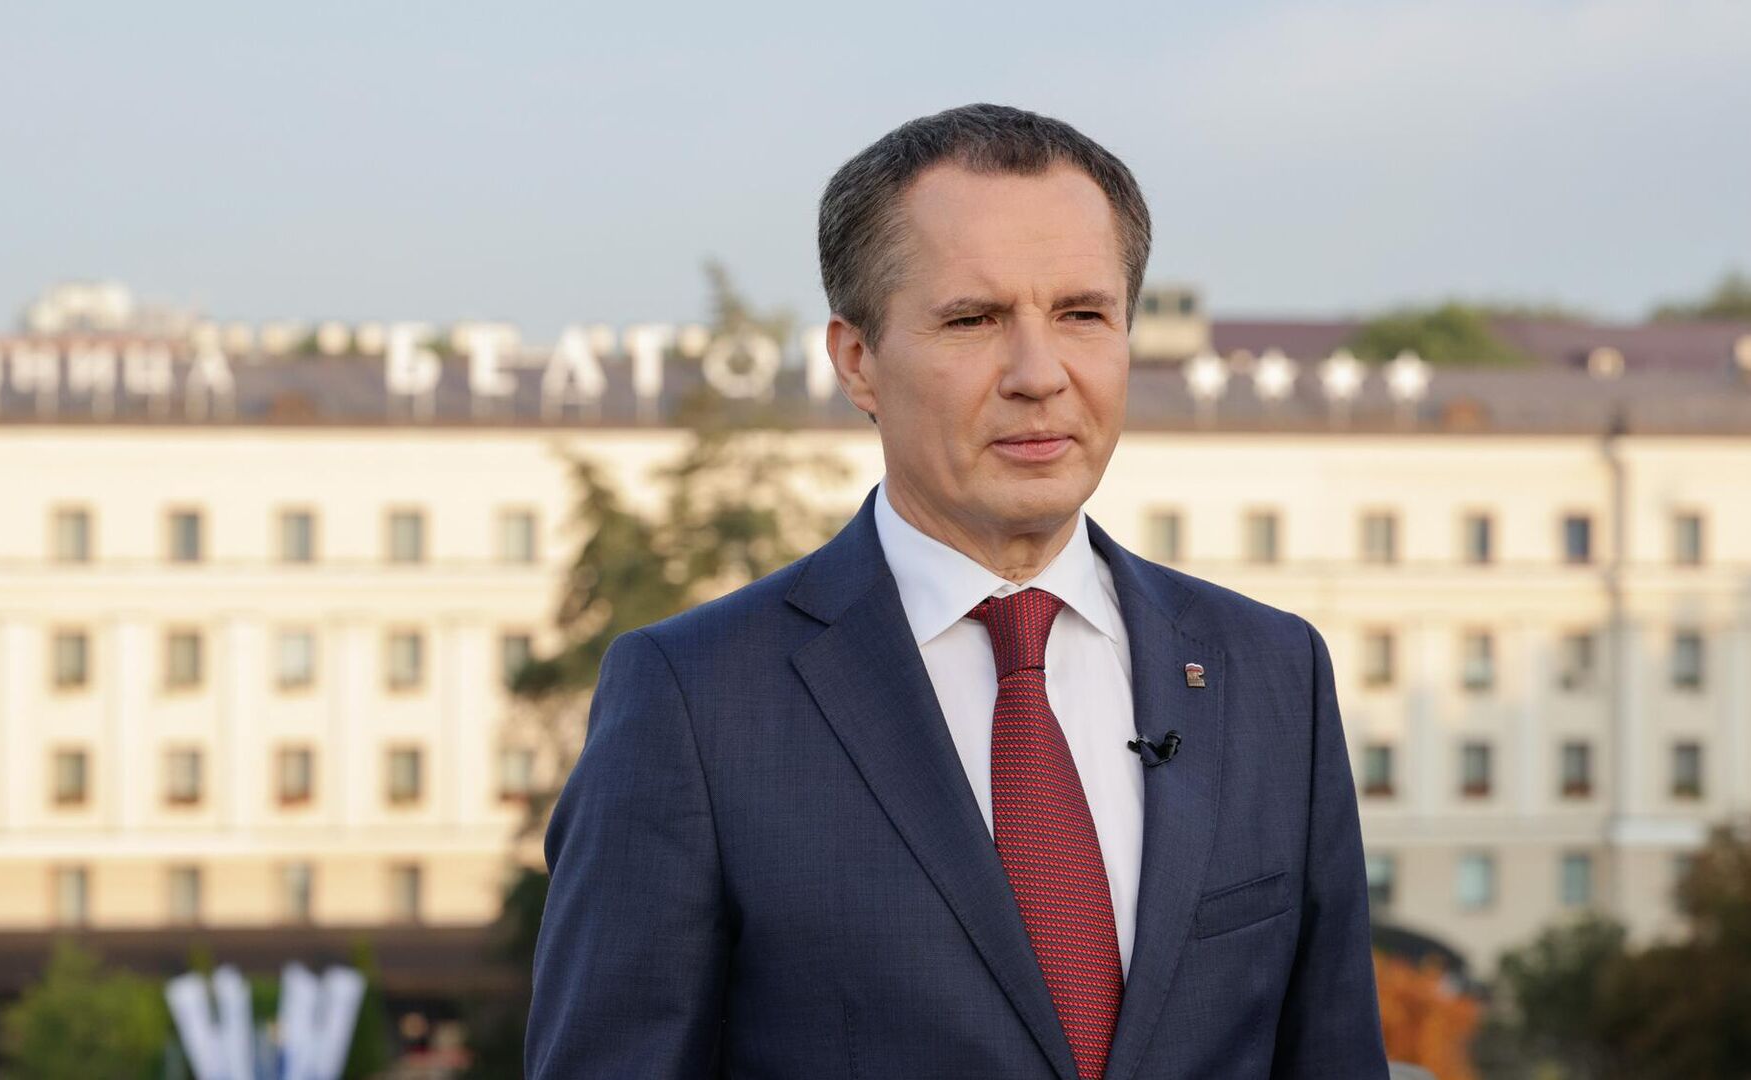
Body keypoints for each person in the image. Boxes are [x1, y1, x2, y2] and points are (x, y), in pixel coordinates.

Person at [525, 102, 1389, 1079]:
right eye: (973, 320)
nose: (1039, 374)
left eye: (1082, 315)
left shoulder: (1272, 673)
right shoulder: (694, 700)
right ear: (858, 362)